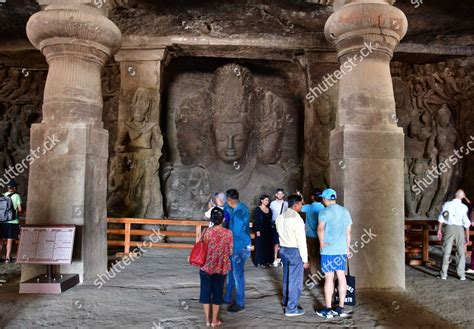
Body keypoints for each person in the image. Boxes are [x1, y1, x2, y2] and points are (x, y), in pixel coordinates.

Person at [316, 188, 352, 319]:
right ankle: (341, 308)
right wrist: (347, 248)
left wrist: (321, 244)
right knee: (342, 277)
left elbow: (320, 229)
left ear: (325, 199)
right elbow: (348, 233)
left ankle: (328, 309)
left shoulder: (324, 212)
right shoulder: (345, 211)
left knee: (329, 278)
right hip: (342, 249)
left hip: (329, 250)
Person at [199, 207, 233, 327]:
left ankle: (207, 320)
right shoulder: (228, 233)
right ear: (223, 219)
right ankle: (214, 321)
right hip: (221, 267)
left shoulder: (206, 232)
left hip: (206, 267)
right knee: (217, 293)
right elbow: (230, 251)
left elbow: (200, 247)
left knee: (205, 292)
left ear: (212, 219)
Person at [276, 194, 308, 317]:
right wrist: (305, 259)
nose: (301, 206)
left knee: (287, 277)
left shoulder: (280, 217)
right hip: (294, 251)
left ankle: (286, 302)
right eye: (300, 204)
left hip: (283, 249)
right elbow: (301, 242)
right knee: (295, 281)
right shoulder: (297, 220)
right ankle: (291, 308)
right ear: (296, 205)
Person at [224, 189, 251, 313]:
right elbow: (228, 210)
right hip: (237, 246)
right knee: (231, 272)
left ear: (229, 200)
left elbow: (235, 233)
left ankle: (240, 303)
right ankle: (228, 297)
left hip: (239, 247)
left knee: (238, 275)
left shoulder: (239, 214)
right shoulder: (239, 207)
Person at [437, 189, 471, 280]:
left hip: (449, 228)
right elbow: (466, 223)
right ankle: (462, 275)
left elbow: (442, 217)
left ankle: (443, 274)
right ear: (463, 196)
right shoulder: (464, 207)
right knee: (461, 252)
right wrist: (467, 236)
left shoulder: (447, 204)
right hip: (460, 229)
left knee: (446, 251)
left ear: (455, 195)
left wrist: (439, 230)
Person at [301, 188, 325, 277]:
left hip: (309, 236)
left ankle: (314, 277)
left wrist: (301, 198)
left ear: (312, 197)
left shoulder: (307, 207)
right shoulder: (323, 208)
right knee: (320, 255)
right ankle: (322, 276)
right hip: (321, 237)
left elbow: (302, 206)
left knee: (311, 256)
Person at [0, 180, 22, 263]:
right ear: (15, 188)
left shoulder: (3, 195)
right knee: (9, 240)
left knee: (1, 240)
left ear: (8, 188)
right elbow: (20, 209)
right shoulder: (16, 196)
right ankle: (7, 258)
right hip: (12, 221)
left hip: (2, 221)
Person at [252, 195, 273, 268]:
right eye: (265, 200)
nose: (267, 201)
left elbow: (270, 220)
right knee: (260, 246)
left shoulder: (269, 209)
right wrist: (257, 230)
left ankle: (268, 261)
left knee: (268, 246)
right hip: (260, 229)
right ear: (261, 200)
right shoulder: (257, 209)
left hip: (268, 230)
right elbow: (257, 220)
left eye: (268, 200)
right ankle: (260, 261)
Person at [270, 188, 288, 267]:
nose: (280, 195)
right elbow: (271, 213)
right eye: (278, 194)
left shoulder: (286, 203)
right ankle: (275, 259)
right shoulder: (272, 203)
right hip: (275, 224)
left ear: (283, 195)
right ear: (276, 195)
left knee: (283, 243)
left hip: (283, 225)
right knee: (276, 242)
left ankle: (282, 259)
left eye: (281, 194)